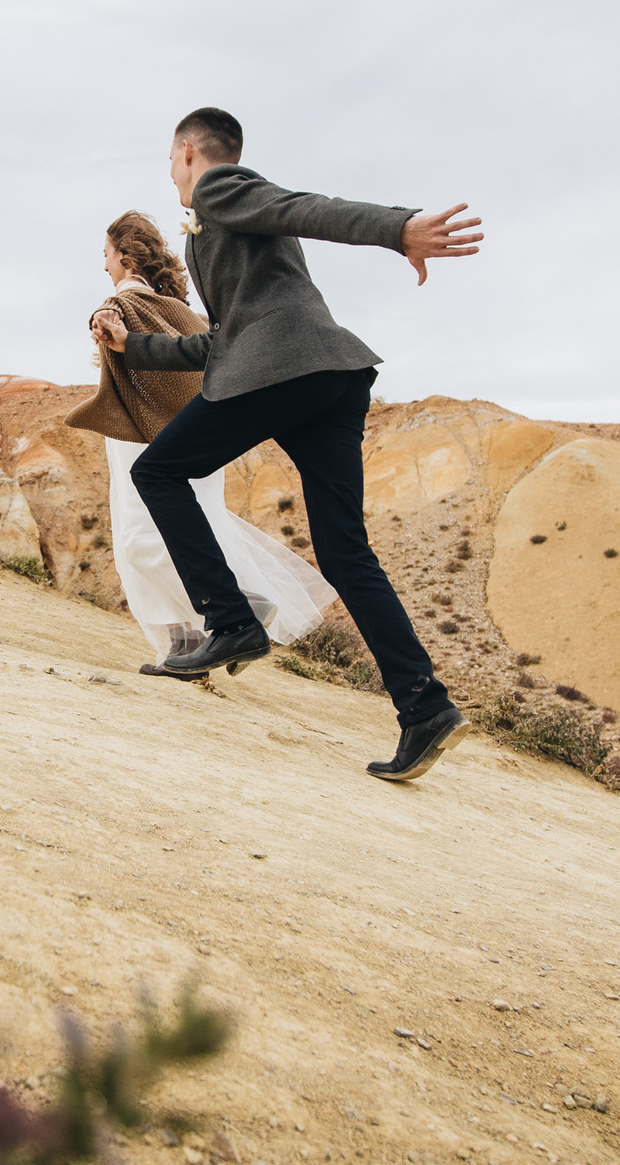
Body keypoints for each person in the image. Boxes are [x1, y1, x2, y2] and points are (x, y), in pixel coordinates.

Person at [90, 107, 484, 782]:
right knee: (344, 549)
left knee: (157, 473)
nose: (171, 174)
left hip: (283, 375)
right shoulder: (219, 232)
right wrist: (138, 348)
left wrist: (398, 229)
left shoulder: (221, 189)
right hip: (330, 376)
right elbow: (221, 341)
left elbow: (306, 207)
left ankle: (230, 619)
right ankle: (425, 706)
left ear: (188, 151)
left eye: (169, 160)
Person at [66, 212, 339, 669]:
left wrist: (102, 315)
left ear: (126, 257)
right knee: (193, 532)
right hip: (195, 436)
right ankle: (184, 647)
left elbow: (112, 313)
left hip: (145, 435)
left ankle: (241, 606)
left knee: (141, 540)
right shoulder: (181, 311)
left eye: (108, 256)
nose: (105, 266)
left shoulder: (126, 300)